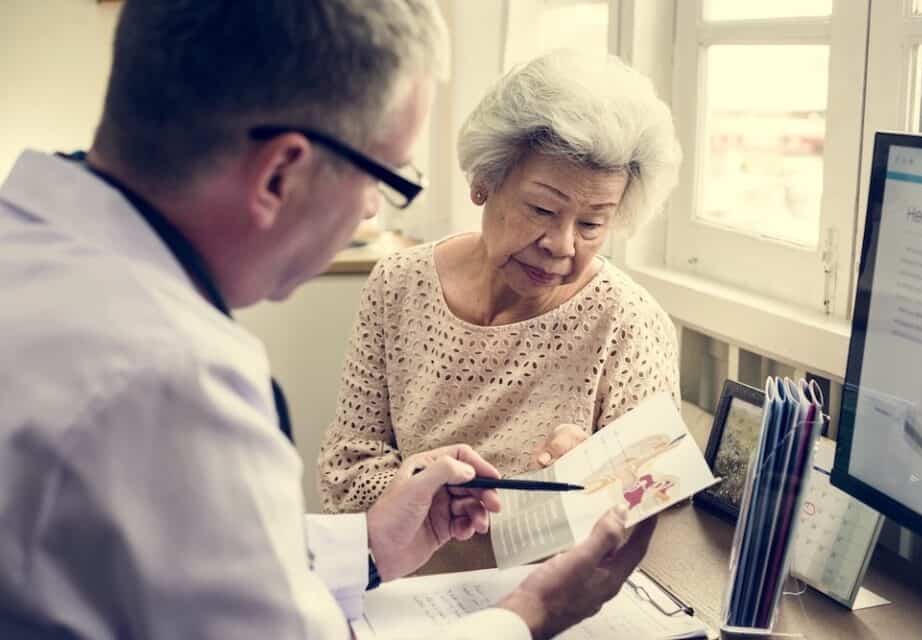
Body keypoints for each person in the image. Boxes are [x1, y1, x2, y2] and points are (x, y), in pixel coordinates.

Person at [0, 2, 657, 639]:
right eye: (386, 179)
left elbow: (191, 562)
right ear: (281, 172)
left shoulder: (28, 252)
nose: (371, 215)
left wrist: (367, 546)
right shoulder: (172, 383)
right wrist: (530, 616)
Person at [316, 50, 683, 566]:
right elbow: (346, 470)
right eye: (543, 209)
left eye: (592, 224)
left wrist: (595, 478)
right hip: (402, 587)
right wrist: (432, 491)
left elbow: (657, 499)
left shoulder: (630, 322)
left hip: (545, 601)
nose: (561, 243)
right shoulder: (397, 286)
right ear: (484, 180)